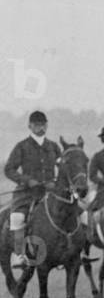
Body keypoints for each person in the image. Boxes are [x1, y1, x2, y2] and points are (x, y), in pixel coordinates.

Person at [4, 110, 61, 268]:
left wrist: (55, 182)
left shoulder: (54, 146)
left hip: (51, 192)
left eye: (43, 125)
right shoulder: (22, 146)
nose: (40, 128)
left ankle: (75, 251)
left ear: (47, 125)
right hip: (27, 193)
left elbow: (63, 168)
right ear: (30, 126)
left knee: (73, 212)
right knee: (17, 217)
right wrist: (28, 180)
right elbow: (9, 169)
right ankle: (19, 255)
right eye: (37, 125)